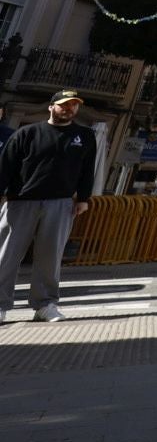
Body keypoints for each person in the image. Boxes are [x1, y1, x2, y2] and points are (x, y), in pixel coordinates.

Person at [0, 91, 96, 323]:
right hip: (20, 201)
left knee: (50, 256)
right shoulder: (27, 133)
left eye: (74, 105)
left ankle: (45, 304)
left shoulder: (84, 136)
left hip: (61, 203)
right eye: (64, 105)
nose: (69, 109)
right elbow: (5, 167)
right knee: (6, 255)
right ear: (51, 107)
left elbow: (87, 170)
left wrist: (83, 198)